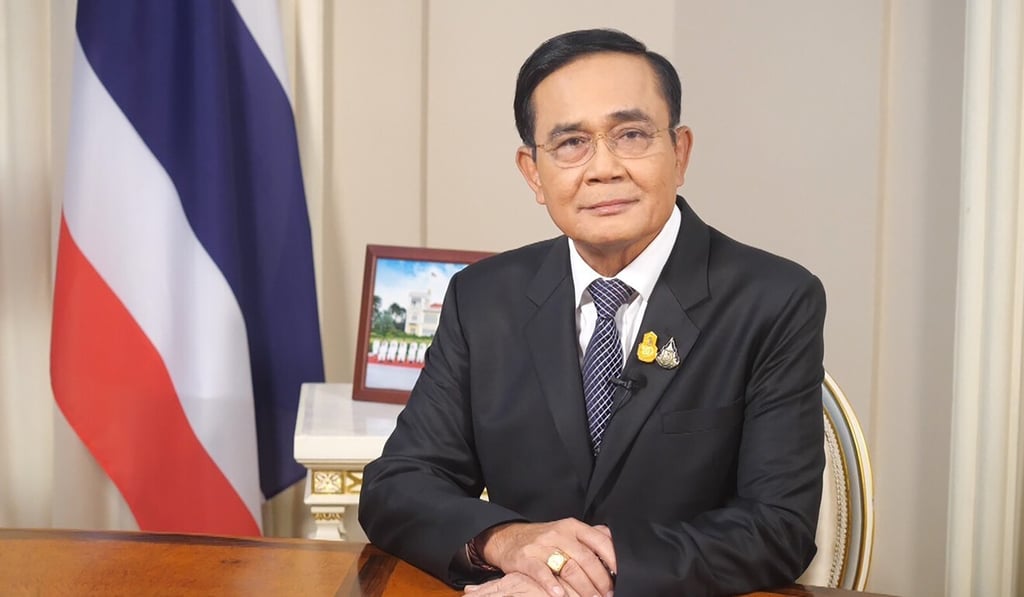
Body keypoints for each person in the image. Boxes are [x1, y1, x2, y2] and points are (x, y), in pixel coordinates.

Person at [359, 28, 825, 597]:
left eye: (631, 134)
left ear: (680, 152)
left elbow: (778, 528)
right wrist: (508, 542)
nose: (603, 168)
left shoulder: (773, 299)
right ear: (533, 172)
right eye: (571, 144)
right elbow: (398, 485)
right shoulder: (482, 299)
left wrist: (570, 575)